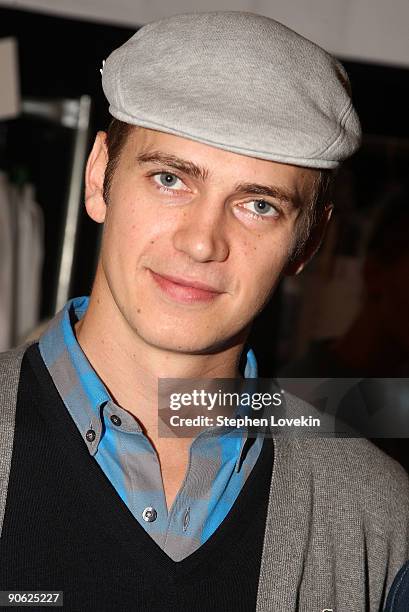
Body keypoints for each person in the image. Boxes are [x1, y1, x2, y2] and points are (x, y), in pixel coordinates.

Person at [0, 11, 408, 611]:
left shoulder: (374, 515)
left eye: (259, 205)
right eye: (170, 178)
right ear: (98, 178)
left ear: (308, 243)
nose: (201, 241)